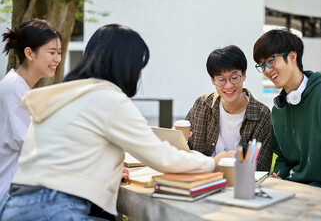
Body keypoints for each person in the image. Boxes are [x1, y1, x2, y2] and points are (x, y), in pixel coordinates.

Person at [0, 24, 234, 220]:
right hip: (56, 208)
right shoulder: (107, 98)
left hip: (16, 204)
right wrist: (213, 163)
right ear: (125, 64)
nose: (140, 75)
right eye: (139, 66)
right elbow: (162, 157)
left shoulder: (66, 94)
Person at [253, 28, 321, 195]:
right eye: (262, 65)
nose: (267, 70)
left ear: (292, 56)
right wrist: (279, 176)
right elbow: (281, 157)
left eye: (271, 61)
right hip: (291, 193)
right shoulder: (278, 109)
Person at [185, 45, 273, 171]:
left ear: (244, 75)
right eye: (221, 79)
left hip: (239, 185)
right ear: (212, 80)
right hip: (201, 182)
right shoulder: (202, 105)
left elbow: (259, 168)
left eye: (234, 77)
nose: (228, 86)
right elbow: (184, 150)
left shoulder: (262, 115)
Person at [0, 19, 62, 197]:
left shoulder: (18, 87)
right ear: (29, 53)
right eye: (52, 52)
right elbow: (38, 149)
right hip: (12, 197)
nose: (57, 59)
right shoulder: (14, 90)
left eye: (59, 52)